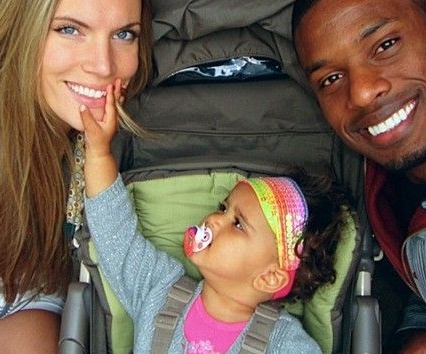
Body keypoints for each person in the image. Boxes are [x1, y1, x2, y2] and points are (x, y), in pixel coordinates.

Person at [0, 0, 152, 353]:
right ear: (23, 28)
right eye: (70, 30)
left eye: (124, 34)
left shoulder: (130, 113)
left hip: (39, 302)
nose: (103, 65)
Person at [79, 82, 349, 353]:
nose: (213, 219)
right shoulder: (158, 288)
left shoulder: (286, 345)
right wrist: (99, 153)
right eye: (223, 208)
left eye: (238, 223)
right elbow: (115, 234)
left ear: (269, 277)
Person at [291, 0, 426, 353]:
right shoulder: (378, 182)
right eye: (331, 78)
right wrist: (422, 332)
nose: (361, 92)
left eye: (385, 45)